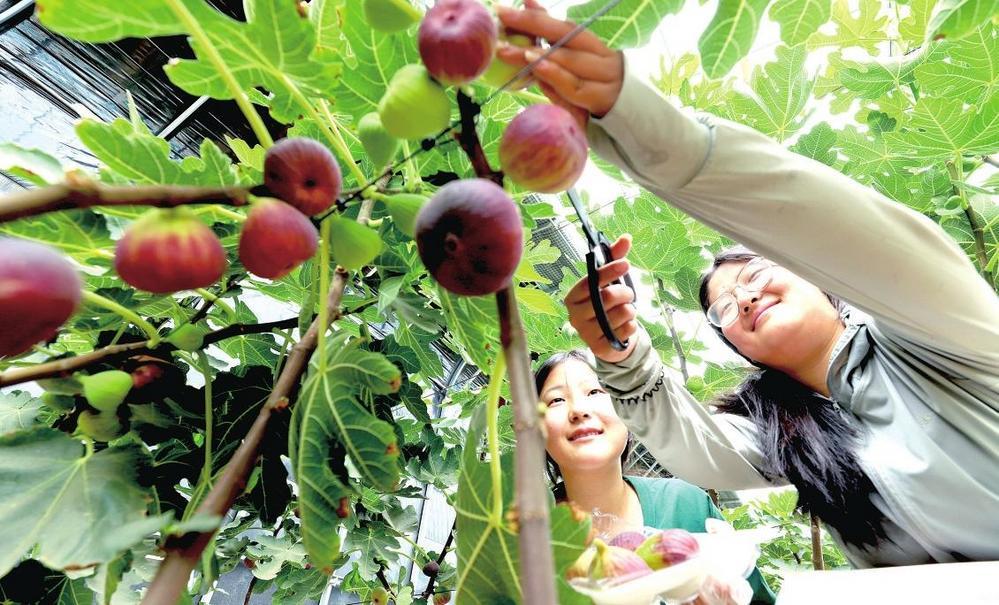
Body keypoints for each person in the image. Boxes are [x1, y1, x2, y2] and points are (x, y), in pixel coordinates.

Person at [498, 1, 999, 569]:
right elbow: (698, 449)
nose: (745, 298)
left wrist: (653, 131)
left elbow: (839, 228)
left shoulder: (936, 337)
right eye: (725, 311)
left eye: (757, 274)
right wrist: (621, 352)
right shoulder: (787, 432)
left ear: (821, 278)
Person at [536, 350, 776, 604]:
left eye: (595, 392)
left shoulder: (686, 504)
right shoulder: (518, 539)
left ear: (628, 410)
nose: (579, 410)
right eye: (556, 400)